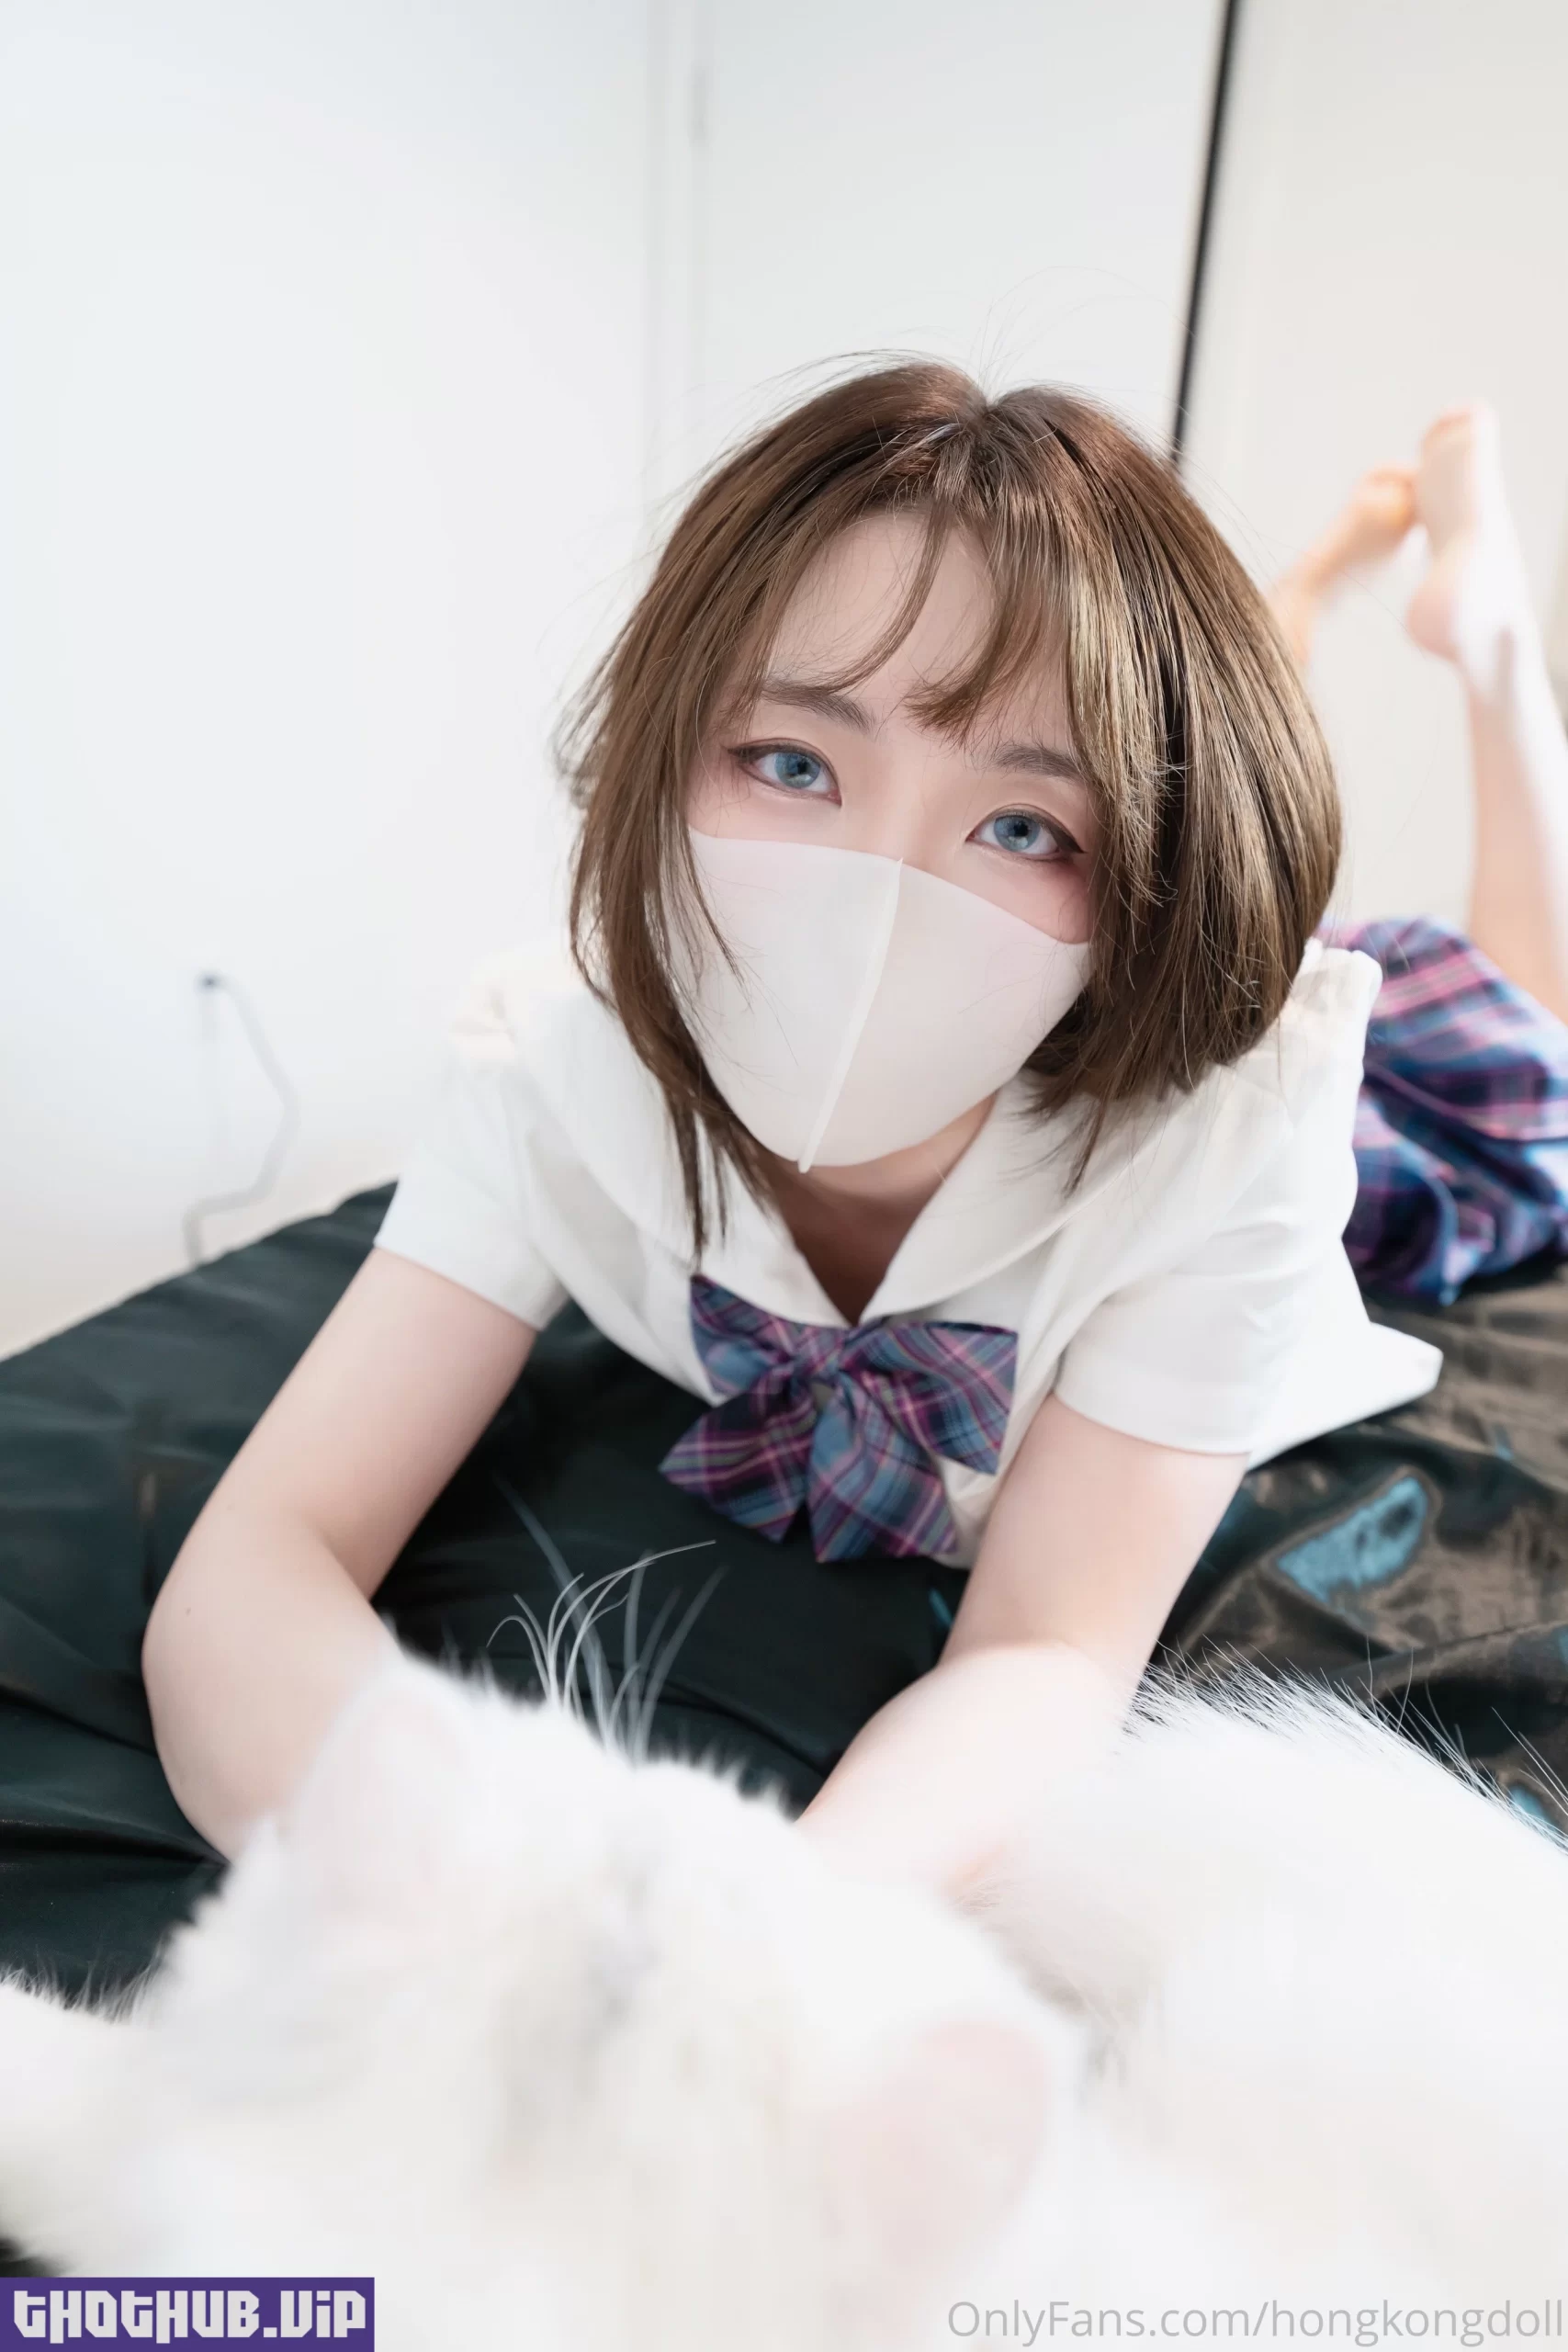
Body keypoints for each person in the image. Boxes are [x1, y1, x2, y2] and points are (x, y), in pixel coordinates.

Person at [138, 368, 1558, 1905]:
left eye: (1020, 830)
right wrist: (466, 1887)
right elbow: (259, 1561)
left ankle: (1487, 644)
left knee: (1527, 1014)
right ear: (665, 748)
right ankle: (1295, 608)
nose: (872, 902)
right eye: (792, 764)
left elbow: (1048, 1652)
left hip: (1229, 1063)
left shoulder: (1232, 1137)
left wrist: (755, 1943)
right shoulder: (554, 1059)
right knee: (1101, 731)